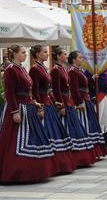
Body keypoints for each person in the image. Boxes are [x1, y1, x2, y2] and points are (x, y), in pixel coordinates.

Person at [0, 44, 56, 182]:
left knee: (32, 138)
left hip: (27, 106)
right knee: (13, 141)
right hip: (17, 107)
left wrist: (33, 102)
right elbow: (9, 92)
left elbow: (28, 90)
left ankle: (33, 170)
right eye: (23, 52)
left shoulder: (22, 68)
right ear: (15, 54)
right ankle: (15, 171)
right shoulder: (11, 69)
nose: (25, 55)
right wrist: (15, 111)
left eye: (25, 53)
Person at [29, 45, 76, 174]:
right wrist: (39, 107)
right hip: (43, 103)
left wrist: (55, 102)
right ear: (37, 54)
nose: (47, 54)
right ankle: (49, 163)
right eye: (44, 52)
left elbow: (49, 89)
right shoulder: (34, 69)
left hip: (49, 102)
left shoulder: (43, 67)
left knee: (55, 132)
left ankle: (58, 163)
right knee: (48, 133)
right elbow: (35, 90)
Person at [50, 47, 97, 167]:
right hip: (65, 102)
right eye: (64, 54)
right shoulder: (56, 70)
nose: (66, 56)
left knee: (76, 128)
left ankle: (80, 157)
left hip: (69, 101)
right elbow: (57, 90)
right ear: (58, 56)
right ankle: (72, 156)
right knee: (69, 129)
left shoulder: (64, 69)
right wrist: (61, 105)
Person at [68, 51, 107, 158]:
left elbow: (83, 84)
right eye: (80, 57)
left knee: (90, 124)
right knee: (85, 124)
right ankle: (86, 151)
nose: (82, 59)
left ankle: (93, 150)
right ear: (74, 59)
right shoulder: (72, 71)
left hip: (86, 99)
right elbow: (74, 88)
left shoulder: (79, 70)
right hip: (82, 100)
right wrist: (78, 102)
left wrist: (91, 79)